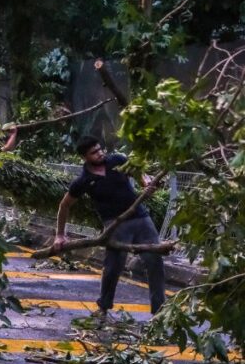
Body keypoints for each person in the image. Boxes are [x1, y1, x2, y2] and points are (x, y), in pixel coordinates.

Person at [52, 136, 165, 317]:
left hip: (141, 219)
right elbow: (64, 205)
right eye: (94, 153)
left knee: (155, 262)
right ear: (85, 157)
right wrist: (60, 235)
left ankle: (159, 312)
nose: (100, 153)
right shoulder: (82, 181)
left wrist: (147, 183)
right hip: (114, 225)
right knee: (113, 267)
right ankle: (103, 307)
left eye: (100, 149)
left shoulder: (117, 161)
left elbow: (138, 174)